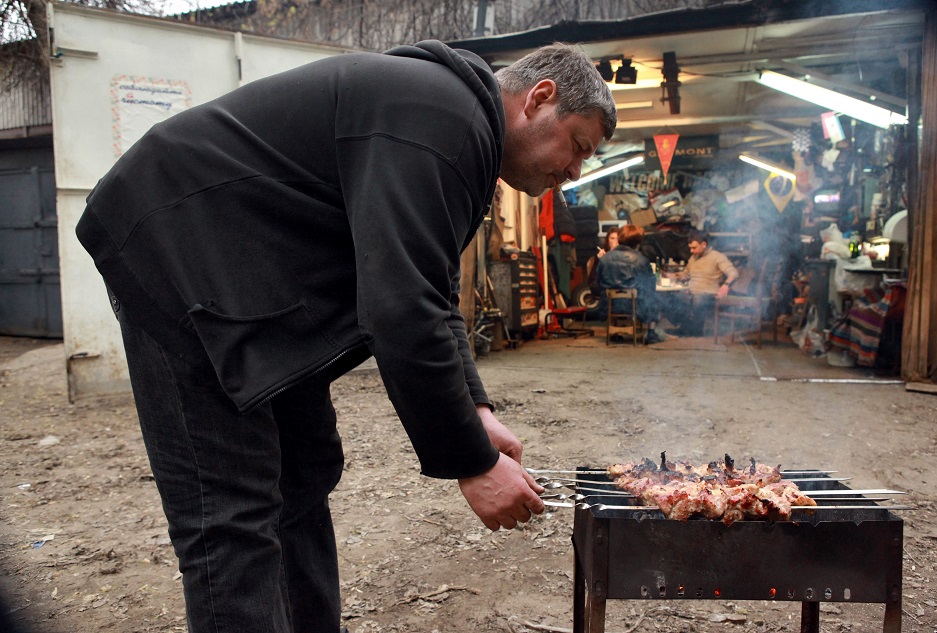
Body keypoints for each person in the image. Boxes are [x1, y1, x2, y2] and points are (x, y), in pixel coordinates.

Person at [75, 42, 616, 633]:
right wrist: (473, 463)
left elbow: (428, 292)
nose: (573, 173)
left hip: (255, 286)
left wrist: (476, 409)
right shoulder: (443, 120)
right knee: (231, 513)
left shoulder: (453, 125)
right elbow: (400, 309)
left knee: (303, 475)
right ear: (540, 98)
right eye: (579, 147)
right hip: (176, 256)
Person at [595, 225, 664, 345]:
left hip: (609, 305)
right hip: (635, 307)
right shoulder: (641, 260)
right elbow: (650, 284)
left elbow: (598, 281)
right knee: (655, 298)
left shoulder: (605, 258)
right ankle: (651, 333)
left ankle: (615, 332)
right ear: (637, 242)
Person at [666, 229, 739, 336]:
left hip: (709, 293)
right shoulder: (693, 258)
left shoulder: (717, 256)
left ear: (704, 244)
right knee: (669, 298)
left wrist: (726, 285)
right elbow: (686, 274)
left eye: (694, 248)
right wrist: (672, 275)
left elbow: (734, 273)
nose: (691, 251)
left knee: (698, 300)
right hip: (692, 292)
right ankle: (684, 327)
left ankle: (695, 331)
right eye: (690, 247)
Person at [586, 225, 620, 301]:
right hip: (605, 286)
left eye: (618, 239)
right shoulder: (602, 254)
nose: (615, 241)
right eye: (612, 238)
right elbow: (592, 280)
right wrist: (599, 260)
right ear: (607, 240)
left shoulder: (625, 254)